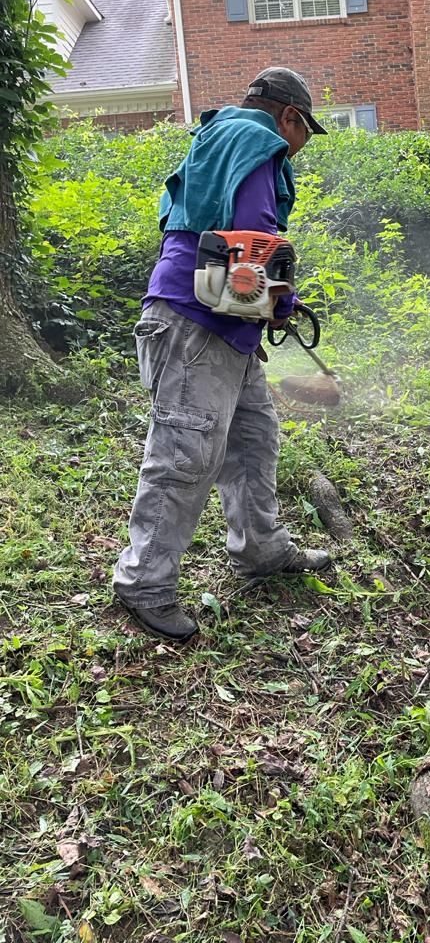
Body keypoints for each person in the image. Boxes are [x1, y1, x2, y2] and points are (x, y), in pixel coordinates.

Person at [113, 67, 331, 643]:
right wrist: (279, 301)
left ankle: (261, 549)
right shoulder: (256, 137)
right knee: (185, 454)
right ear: (288, 116)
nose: (300, 145)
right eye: (305, 130)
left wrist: (273, 306)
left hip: (222, 325)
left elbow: (218, 239)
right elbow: (255, 236)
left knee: (254, 436)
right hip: (194, 322)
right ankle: (145, 583)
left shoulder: (214, 138)